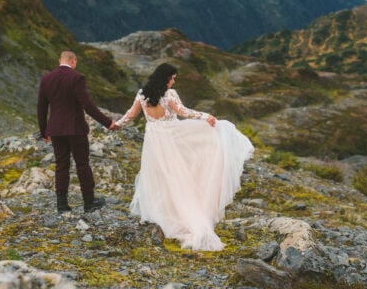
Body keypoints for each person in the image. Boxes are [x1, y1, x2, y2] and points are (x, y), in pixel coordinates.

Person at [115, 62, 254, 251]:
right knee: (179, 175)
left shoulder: (142, 94)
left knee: (159, 177)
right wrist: (206, 116)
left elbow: (130, 115)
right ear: (165, 78)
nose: (173, 81)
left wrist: (115, 125)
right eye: (172, 78)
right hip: (171, 138)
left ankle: (162, 213)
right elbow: (182, 112)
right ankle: (184, 215)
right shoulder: (170, 94)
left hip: (154, 141)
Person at [37, 49, 117, 213]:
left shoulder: (46, 79)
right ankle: (89, 202)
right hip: (75, 128)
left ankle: (62, 205)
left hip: (56, 130)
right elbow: (87, 105)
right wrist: (108, 123)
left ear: (60, 60)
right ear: (73, 61)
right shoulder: (76, 77)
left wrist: (44, 131)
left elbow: (41, 107)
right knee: (82, 164)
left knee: (61, 166)